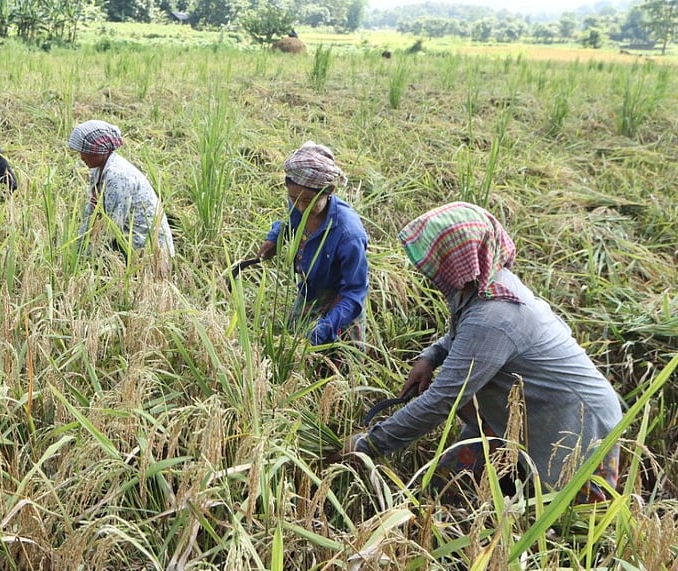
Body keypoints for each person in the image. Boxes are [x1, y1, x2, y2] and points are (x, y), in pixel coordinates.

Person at [344, 202, 622, 502]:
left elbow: (442, 401)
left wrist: (368, 444)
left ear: (459, 259)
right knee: (443, 490)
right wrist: (431, 356)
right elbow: (466, 335)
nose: (424, 268)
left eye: (437, 259)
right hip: (515, 417)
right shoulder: (482, 284)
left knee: (557, 523)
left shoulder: (496, 314)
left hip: (576, 429)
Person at [254, 141, 368, 347]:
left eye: (307, 201)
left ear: (329, 190)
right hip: (309, 289)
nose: (300, 206)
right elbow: (291, 220)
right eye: (293, 198)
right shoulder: (299, 201)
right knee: (292, 343)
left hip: (341, 300)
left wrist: (326, 326)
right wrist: (276, 237)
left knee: (339, 359)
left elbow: (355, 292)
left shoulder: (349, 235)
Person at [67, 119, 175, 267]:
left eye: (85, 152)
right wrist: (77, 246)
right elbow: (93, 210)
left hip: (147, 249)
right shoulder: (98, 170)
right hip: (124, 241)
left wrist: (85, 257)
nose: (81, 157)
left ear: (99, 150)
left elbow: (112, 227)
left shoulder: (118, 177)